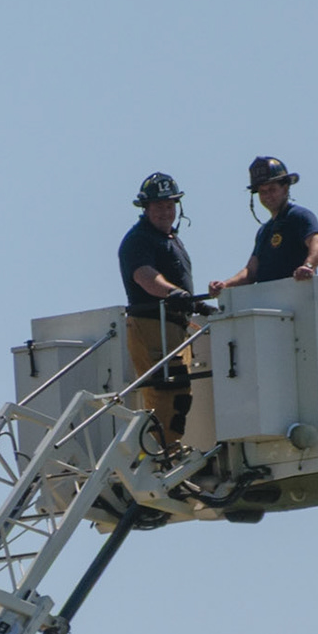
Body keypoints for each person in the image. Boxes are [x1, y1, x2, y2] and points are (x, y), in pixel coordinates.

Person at [118, 172, 206, 451]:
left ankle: (168, 450)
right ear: (145, 208)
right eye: (158, 206)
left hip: (175, 326)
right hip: (151, 325)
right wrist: (173, 293)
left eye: (170, 206)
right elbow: (144, 276)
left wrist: (194, 304)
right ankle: (156, 456)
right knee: (163, 392)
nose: (165, 212)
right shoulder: (139, 239)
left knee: (179, 392)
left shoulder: (170, 239)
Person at [208, 156, 318, 294]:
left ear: (285, 189)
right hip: (270, 304)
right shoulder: (264, 231)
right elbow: (251, 272)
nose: (268, 195)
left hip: (298, 299)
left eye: (272, 189)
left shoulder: (299, 215)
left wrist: (308, 266)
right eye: (263, 192)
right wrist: (225, 285)